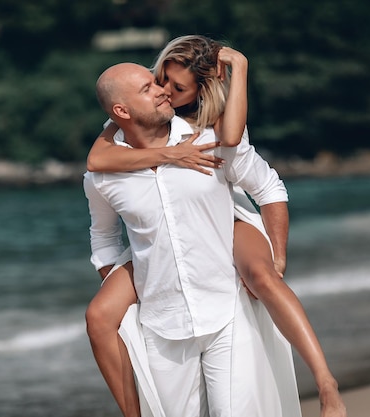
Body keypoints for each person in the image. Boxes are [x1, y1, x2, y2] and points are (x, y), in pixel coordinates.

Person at [86, 35, 346, 417]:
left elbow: (269, 187)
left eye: (163, 84)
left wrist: (277, 257)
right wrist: (122, 287)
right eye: (151, 86)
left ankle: (327, 385)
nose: (161, 91)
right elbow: (104, 235)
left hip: (227, 311)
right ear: (122, 111)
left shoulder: (210, 141)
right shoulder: (104, 173)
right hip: (162, 326)